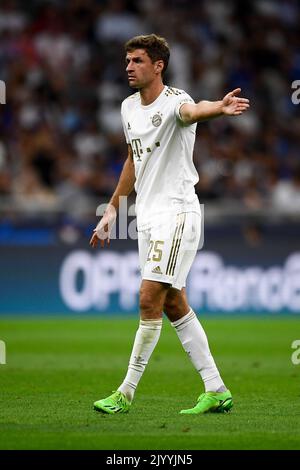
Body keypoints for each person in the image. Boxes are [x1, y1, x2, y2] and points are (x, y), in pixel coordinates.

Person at [90, 34, 249, 415]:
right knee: (174, 303)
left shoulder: (176, 100)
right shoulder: (128, 108)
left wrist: (219, 108)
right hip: (146, 218)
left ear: (158, 65)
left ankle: (125, 393)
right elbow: (133, 158)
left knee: (148, 297)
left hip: (177, 214)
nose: (129, 67)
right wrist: (113, 208)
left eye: (138, 60)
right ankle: (216, 388)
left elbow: (194, 112)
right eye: (127, 60)